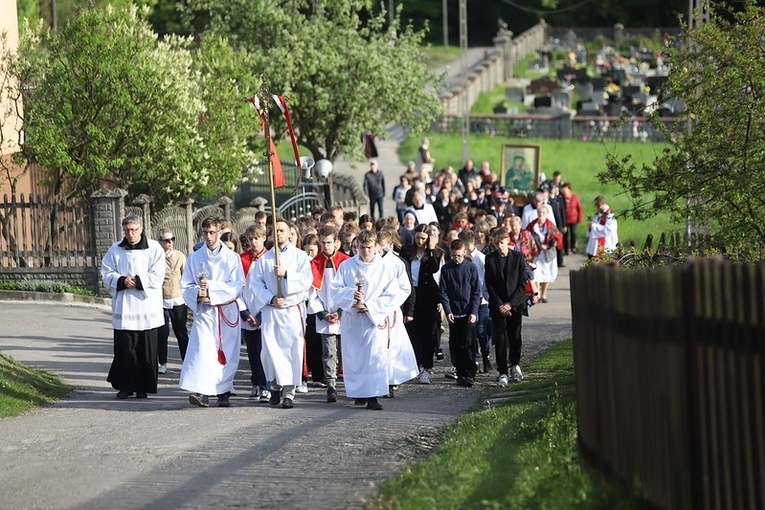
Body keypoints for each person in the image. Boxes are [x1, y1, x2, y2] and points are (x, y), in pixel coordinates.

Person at [331, 230, 413, 411]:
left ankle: (373, 395)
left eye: (369, 247)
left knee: (374, 357)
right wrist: (352, 295)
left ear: (376, 246)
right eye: (362, 247)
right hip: (353, 319)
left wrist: (371, 306)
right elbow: (335, 289)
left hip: (374, 320)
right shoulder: (347, 266)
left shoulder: (386, 267)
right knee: (355, 358)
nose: (365, 251)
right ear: (357, 247)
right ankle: (359, 393)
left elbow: (393, 294)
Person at [245, 218, 313, 409]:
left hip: (291, 310)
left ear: (290, 232)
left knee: (291, 351)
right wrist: (270, 298)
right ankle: (274, 386)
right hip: (272, 311)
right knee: (270, 352)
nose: (278, 234)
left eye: (282, 230)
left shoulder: (299, 256)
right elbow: (256, 285)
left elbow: (307, 280)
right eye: (274, 231)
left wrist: (287, 274)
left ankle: (289, 393)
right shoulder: (264, 260)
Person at [179, 216, 245, 408]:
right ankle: (203, 392)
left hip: (226, 311)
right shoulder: (195, 257)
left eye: (213, 233)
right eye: (206, 233)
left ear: (219, 232)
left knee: (226, 352)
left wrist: (212, 288)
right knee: (203, 351)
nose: (209, 237)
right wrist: (197, 292)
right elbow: (186, 285)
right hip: (206, 312)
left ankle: (223, 391)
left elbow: (237, 286)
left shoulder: (232, 258)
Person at [101, 215, 165, 399]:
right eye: (127, 230)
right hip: (125, 307)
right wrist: (121, 280)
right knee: (125, 349)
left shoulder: (154, 248)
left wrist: (138, 281)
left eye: (134, 229)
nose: (130, 233)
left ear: (141, 229)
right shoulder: (115, 249)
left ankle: (143, 387)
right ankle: (126, 386)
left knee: (145, 350)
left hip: (146, 308)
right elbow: (106, 272)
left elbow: (158, 274)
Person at [308, 224, 350, 403]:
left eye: (329, 243)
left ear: (337, 243)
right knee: (329, 352)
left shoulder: (346, 262)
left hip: (345, 313)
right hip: (325, 313)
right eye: (323, 243)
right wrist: (323, 313)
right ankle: (331, 386)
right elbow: (311, 293)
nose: (326, 246)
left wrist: (340, 311)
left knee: (349, 351)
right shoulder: (314, 264)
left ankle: (353, 385)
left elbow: (350, 289)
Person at [400, 223, 444, 384]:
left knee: (427, 335)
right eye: (417, 237)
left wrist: (431, 249)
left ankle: (426, 367)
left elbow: (433, 269)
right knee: (412, 334)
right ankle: (414, 365)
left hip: (428, 296)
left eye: (423, 239)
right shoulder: (406, 251)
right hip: (411, 294)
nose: (420, 241)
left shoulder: (435, 253)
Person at [485, 226, 528, 387]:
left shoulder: (517, 257)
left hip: (515, 304)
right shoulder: (490, 259)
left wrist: (511, 304)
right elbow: (490, 285)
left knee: (515, 336)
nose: (500, 247)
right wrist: (500, 305)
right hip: (498, 306)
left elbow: (522, 284)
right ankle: (502, 371)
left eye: (502, 243)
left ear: (507, 241)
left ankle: (515, 364)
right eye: (497, 244)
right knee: (501, 339)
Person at [439, 239, 480, 387]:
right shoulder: (446, 269)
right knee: (456, 345)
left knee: (469, 343)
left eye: (459, 256)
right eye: (454, 256)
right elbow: (443, 292)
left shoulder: (471, 268)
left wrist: (474, 311)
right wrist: (448, 310)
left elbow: (476, 292)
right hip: (454, 313)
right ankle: (460, 373)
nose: (456, 259)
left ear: (464, 253)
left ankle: (470, 373)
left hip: (468, 313)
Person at [240, 224, 271, 403]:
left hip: (264, 312)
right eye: (251, 239)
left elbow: (269, 289)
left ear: (263, 238)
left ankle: (266, 385)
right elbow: (239, 289)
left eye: (257, 239)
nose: (254, 242)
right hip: (248, 312)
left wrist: (259, 315)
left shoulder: (269, 259)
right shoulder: (242, 259)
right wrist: (245, 313)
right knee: (252, 351)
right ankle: (256, 382)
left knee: (263, 350)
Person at [157, 228, 189, 372]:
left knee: (181, 333)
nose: (170, 242)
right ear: (160, 242)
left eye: (172, 239)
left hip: (178, 300)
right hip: (161, 301)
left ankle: (187, 362)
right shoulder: (157, 257)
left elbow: (187, 277)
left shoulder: (180, 256)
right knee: (162, 333)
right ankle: (162, 363)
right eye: (166, 240)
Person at [459, 229, 491, 373]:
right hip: (467, 301)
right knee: (470, 333)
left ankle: (486, 355)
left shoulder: (481, 258)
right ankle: (475, 359)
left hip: (481, 300)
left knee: (482, 331)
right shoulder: (461, 259)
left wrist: (485, 295)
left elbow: (486, 278)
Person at [526, 206, 561, 303]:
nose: (541, 214)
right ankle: (537, 293)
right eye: (539, 212)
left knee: (547, 273)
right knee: (536, 273)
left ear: (546, 214)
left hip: (547, 254)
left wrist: (548, 245)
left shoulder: (551, 226)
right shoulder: (532, 225)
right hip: (536, 253)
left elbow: (558, 238)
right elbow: (527, 237)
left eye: (543, 213)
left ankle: (544, 294)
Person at [560, 182, 583, 255]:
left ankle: (573, 247)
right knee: (565, 234)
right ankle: (566, 249)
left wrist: (580, 217)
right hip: (565, 219)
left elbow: (579, 208)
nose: (564, 190)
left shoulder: (575, 197)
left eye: (565, 188)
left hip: (573, 219)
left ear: (569, 189)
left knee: (573, 233)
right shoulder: (561, 198)